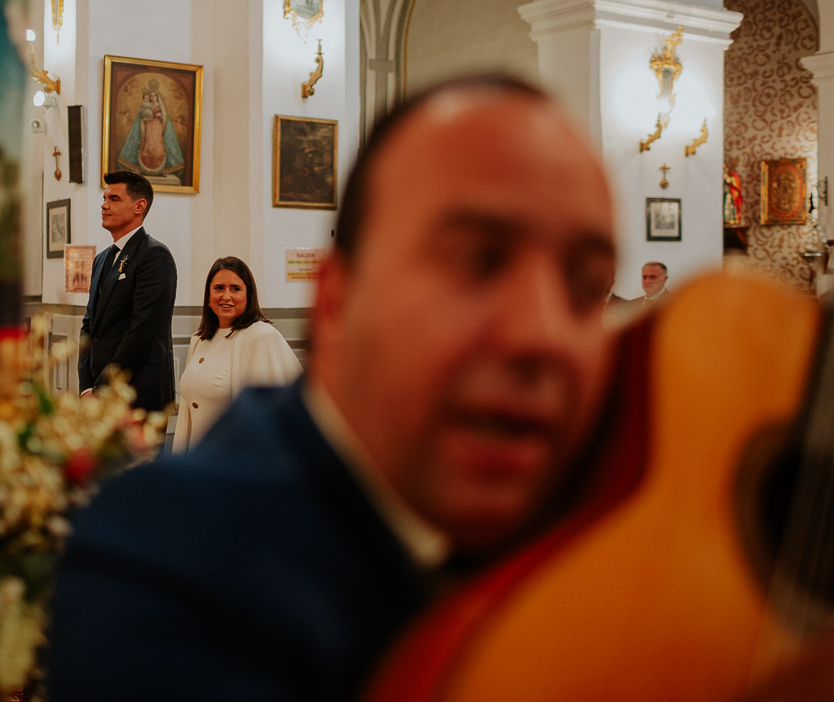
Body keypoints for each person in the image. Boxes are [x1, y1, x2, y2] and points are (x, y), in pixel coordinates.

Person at [45, 75, 618, 700]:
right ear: (337, 303)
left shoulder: (618, 543)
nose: (542, 337)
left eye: (585, 285)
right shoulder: (165, 561)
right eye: (477, 262)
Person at [173, 256, 303, 452]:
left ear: (248, 296)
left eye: (235, 289)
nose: (226, 296)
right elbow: (188, 413)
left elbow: (266, 419)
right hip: (200, 458)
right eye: (219, 288)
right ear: (208, 297)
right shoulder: (199, 339)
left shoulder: (261, 337)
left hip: (236, 461)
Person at [77, 170, 177, 413]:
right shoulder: (102, 259)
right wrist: (86, 386)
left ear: (139, 206)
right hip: (97, 389)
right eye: (104, 198)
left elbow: (141, 331)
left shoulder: (154, 256)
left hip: (136, 390)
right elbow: (89, 325)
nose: (104, 206)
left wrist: (103, 388)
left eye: (114, 199)